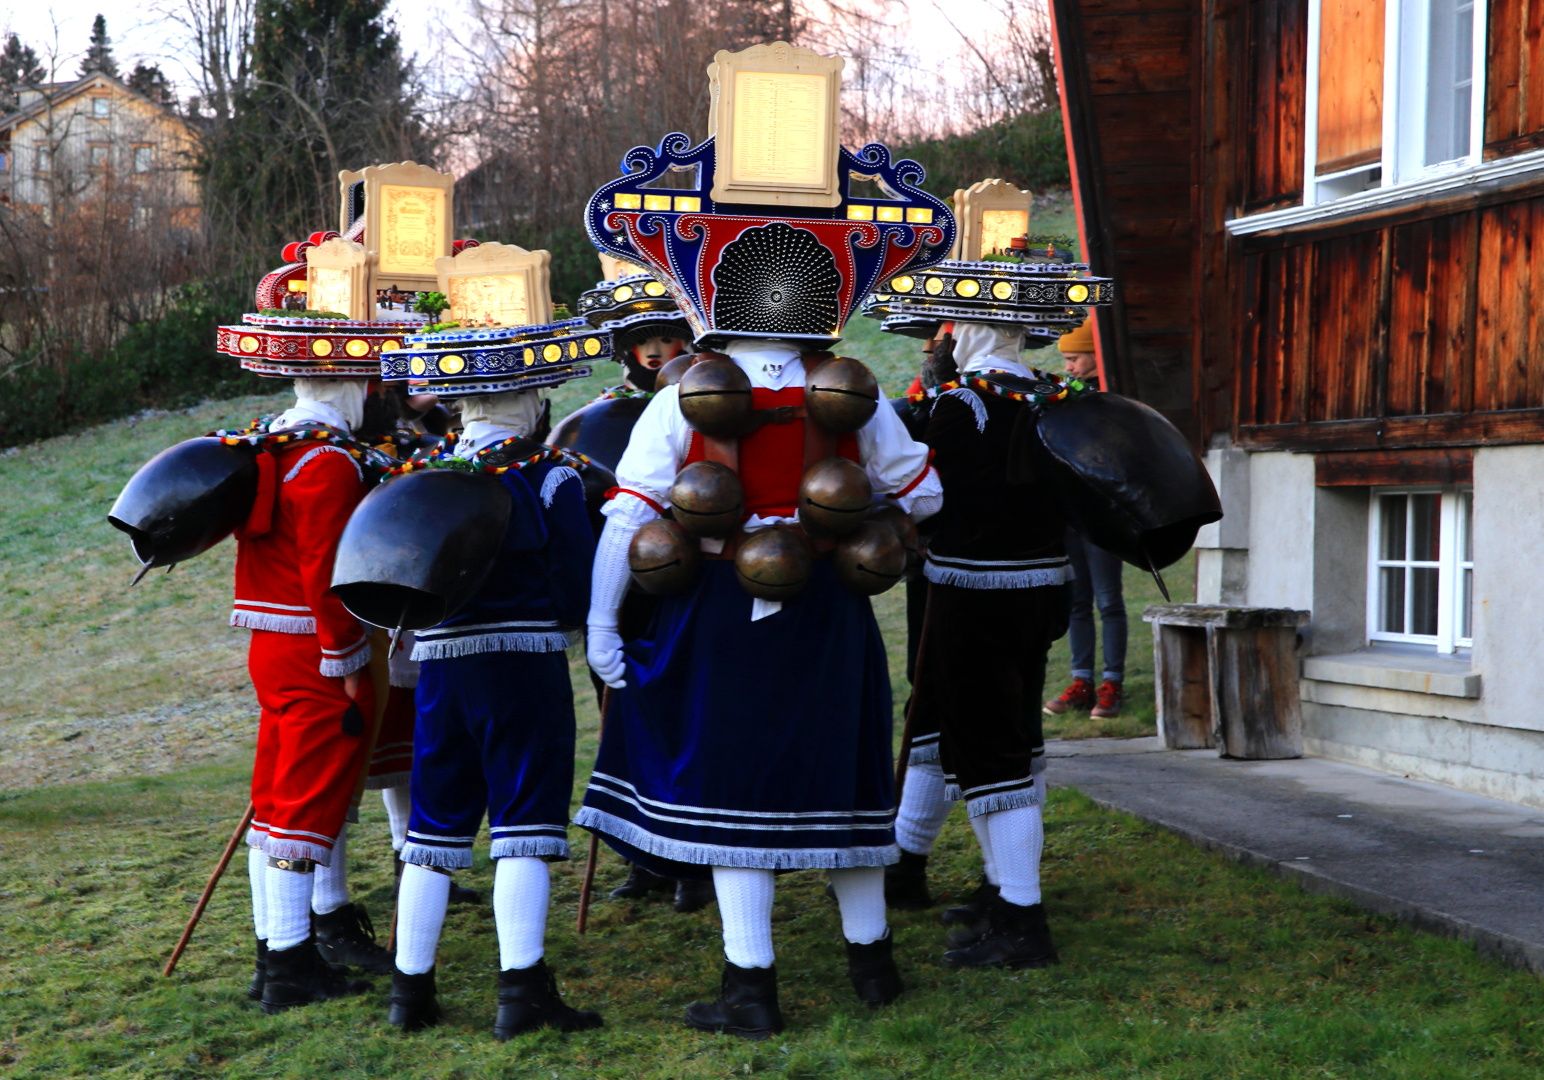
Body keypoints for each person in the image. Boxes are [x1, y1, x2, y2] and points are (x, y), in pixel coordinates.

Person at [579, 341, 941, 1037]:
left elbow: (629, 514)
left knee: (730, 792)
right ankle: (874, 968)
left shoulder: (678, 399)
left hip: (716, 609)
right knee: (844, 776)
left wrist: (601, 622)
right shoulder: (851, 391)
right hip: (831, 607)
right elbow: (926, 493)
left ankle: (751, 991)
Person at [382, 377, 602, 1039]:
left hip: (441, 670)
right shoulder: (550, 476)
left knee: (433, 826)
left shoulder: (420, 472)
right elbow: (574, 584)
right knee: (524, 820)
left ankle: (409, 990)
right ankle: (521, 991)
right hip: (522, 666)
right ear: (531, 404)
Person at [220, 376, 397, 1011]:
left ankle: (274, 956)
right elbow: (329, 574)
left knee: (272, 802)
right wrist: (347, 660)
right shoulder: (327, 460)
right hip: (312, 650)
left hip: (270, 643)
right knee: (300, 805)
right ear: (347, 385)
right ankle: (292, 963)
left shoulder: (271, 442)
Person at [1042, 317, 1128, 721]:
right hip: (1068, 514)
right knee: (1078, 600)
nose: (1070, 367)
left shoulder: (1112, 400)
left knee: (1108, 600)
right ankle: (1082, 681)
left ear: (1096, 356)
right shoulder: (1064, 397)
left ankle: (1112, 683)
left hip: (1101, 514)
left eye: (1075, 359)